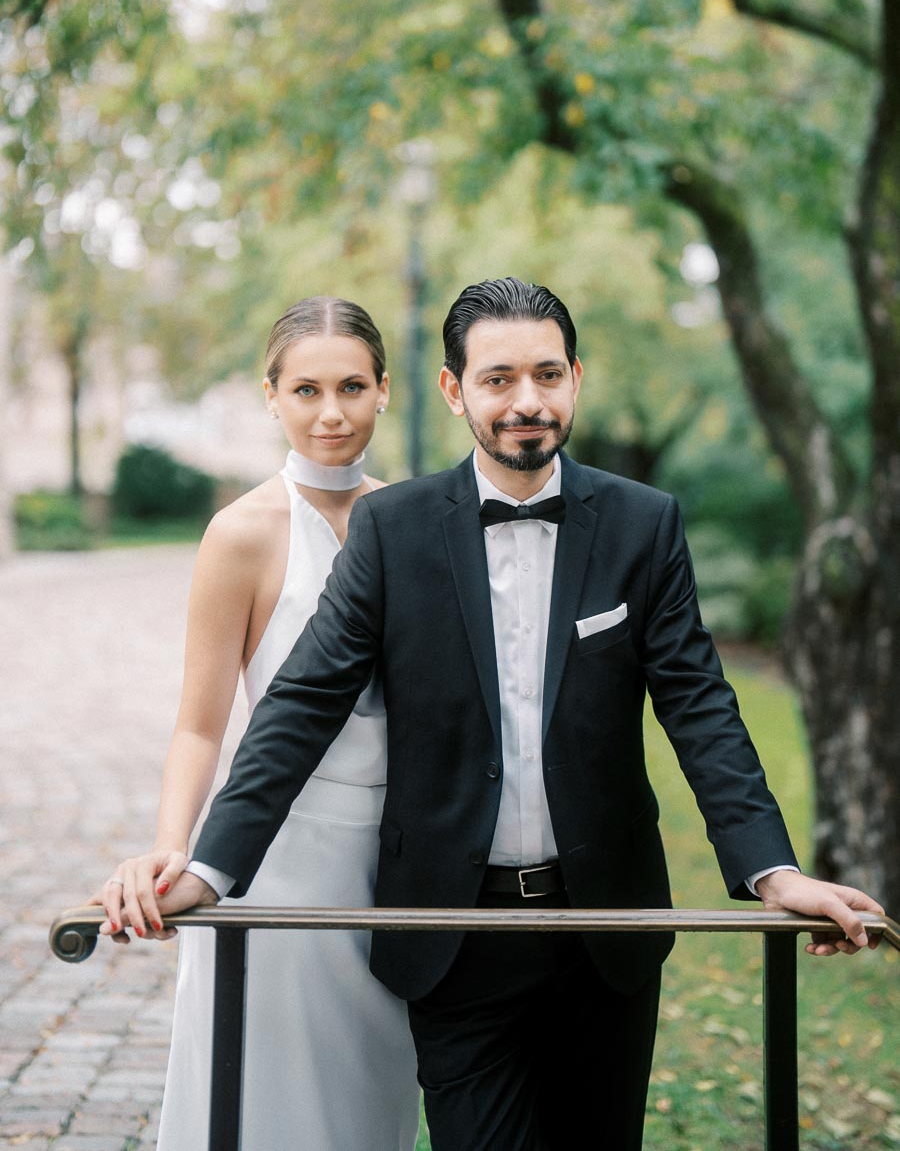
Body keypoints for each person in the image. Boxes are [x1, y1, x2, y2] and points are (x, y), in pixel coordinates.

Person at [133, 277, 884, 1151]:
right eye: (498, 379)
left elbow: (700, 705)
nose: (527, 401)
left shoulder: (643, 524)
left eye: (547, 374)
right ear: (455, 391)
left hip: (606, 931)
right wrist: (208, 869)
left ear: (576, 379)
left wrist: (772, 872)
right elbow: (302, 702)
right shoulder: (393, 529)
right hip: (456, 934)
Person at [95, 297, 420, 1150]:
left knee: (370, 1109)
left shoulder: (416, 522)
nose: (331, 412)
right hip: (276, 854)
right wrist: (173, 847)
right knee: (263, 1103)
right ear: (270, 396)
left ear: (385, 390)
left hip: (396, 864)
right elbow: (200, 724)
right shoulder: (240, 535)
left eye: (352, 387)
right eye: (306, 390)